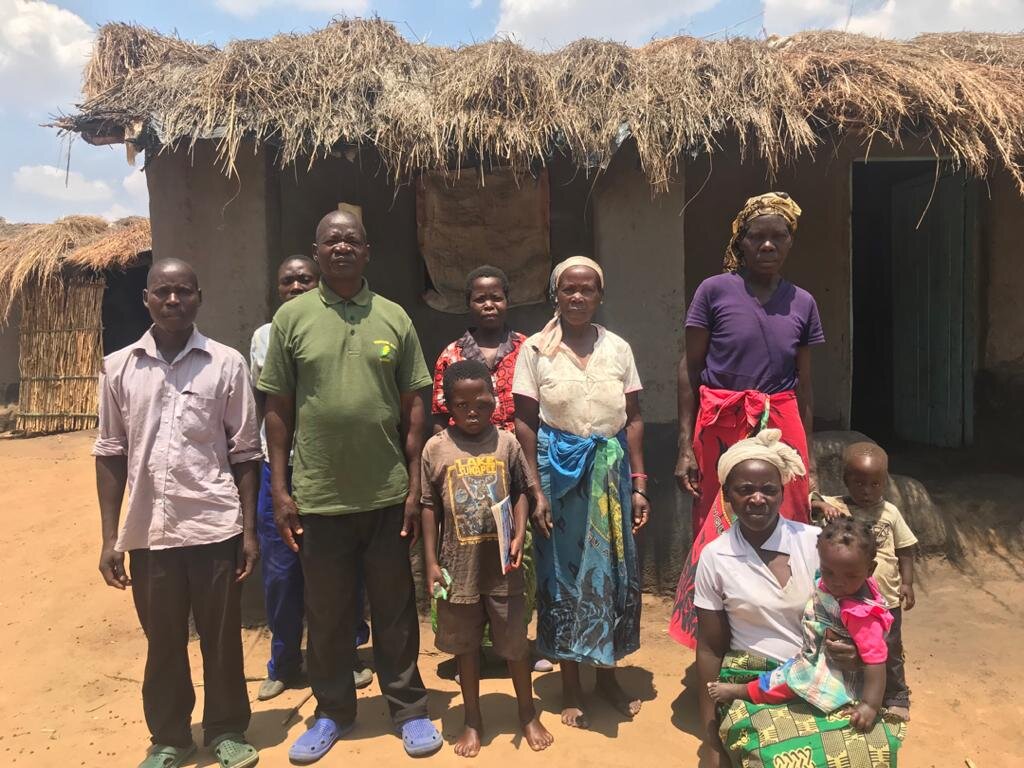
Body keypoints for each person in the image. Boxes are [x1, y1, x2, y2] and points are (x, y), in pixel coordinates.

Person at [258, 210, 442, 762]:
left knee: (394, 609)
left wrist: (413, 486)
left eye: (351, 240)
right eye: (331, 240)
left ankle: (409, 709)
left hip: (387, 494)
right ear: (316, 252)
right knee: (328, 613)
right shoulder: (291, 318)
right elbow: (277, 409)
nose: (341, 247)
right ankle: (332, 711)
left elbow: (416, 407)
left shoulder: (394, 318)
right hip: (319, 496)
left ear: (367, 251)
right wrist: (281, 488)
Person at [94, 259, 262, 768]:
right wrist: (110, 538)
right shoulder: (118, 367)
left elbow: (245, 453)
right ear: (146, 299)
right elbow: (109, 452)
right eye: (163, 292)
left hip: (214, 524)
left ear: (199, 297)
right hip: (147, 530)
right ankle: (170, 736)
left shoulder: (226, 364)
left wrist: (249, 532)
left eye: (183, 291)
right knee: (162, 641)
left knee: (220, 639)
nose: (173, 301)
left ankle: (227, 730)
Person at [671, 191, 832, 649]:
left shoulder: (802, 302)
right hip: (721, 421)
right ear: (739, 243)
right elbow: (690, 366)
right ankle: (718, 639)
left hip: (780, 418)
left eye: (777, 237)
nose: (767, 246)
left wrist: (811, 460)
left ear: (789, 243)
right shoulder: (714, 291)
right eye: (756, 237)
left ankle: (786, 634)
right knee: (715, 520)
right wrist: (685, 445)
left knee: (790, 516)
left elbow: (804, 384)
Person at [694, 430, 905, 767]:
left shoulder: (814, 542)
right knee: (783, 760)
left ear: (782, 492)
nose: (758, 498)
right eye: (745, 490)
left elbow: (861, 611)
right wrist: (711, 740)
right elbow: (708, 648)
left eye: (769, 489)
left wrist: (856, 653)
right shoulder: (715, 557)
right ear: (727, 495)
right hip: (753, 680)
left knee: (867, 750)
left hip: (826, 675)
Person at [513, 256, 650, 729]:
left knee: (610, 573)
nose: (577, 297)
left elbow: (632, 419)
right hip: (556, 474)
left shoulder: (619, 349)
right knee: (562, 577)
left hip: (609, 474)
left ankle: (607, 675)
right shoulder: (534, 350)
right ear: (556, 294)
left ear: (599, 295)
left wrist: (639, 484)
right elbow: (524, 424)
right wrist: (535, 490)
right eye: (568, 289)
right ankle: (571, 684)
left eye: (587, 289)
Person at [249, 256, 372, 701]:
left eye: (305, 279)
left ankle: (349, 653)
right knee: (282, 572)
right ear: (276, 289)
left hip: (332, 467)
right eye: (288, 280)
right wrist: (277, 480)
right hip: (280, 468)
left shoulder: (343, 325)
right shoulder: (264, 337)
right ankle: (284, 661)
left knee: (343, 568)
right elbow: (268, 404)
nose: (296, 286)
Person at [421, 360, 554, 757]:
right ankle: (473, 718)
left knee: (514, 642)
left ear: (495, 400)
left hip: (503, 567)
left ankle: (527, 712)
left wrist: (516, 533)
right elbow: (429, 505)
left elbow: (521, 491)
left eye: (481, 403)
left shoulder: (507, 442)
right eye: (462, 405)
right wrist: (429, 561)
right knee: (466, 647)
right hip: (458, 567)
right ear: (448, 404)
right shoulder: (436, 448)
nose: (473, 412)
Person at [431, 265, 552, 675]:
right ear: (468, 303)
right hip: (463, 472)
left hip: (511, 465)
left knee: (519, 558)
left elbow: (535, 414)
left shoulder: (528, 349)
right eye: (480, 297)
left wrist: (532, 483)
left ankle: (516, 643)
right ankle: (468, 650)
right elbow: (437, 418)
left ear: (508, 299)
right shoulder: (450, 355)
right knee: (466, 563)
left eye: (496, 296)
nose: (489, 304)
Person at [707, 516, 892, 733]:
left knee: (789, 683)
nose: (837, 582)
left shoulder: (861, 614)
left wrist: (870, 705)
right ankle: (746, 689)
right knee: (783, 675)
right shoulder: (843, 580)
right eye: (828, 572)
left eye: (850, 576)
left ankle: (742, 692)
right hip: (812, 653)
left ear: (870, 570)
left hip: (833, 669)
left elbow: (875, 661)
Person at [824, 442, 917, 722]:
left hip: (885, 601)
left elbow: (906, 549)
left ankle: (896, 696)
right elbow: (806, 499)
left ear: (885, 483)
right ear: (846, 481)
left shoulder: (890, 513)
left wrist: (908, 583)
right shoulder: (837, 506)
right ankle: (854, 691)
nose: (867, 490)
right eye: (859, 483)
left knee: (888, 649)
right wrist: (821, 505)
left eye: (875, 484)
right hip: (848, 599)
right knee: (848, 647)